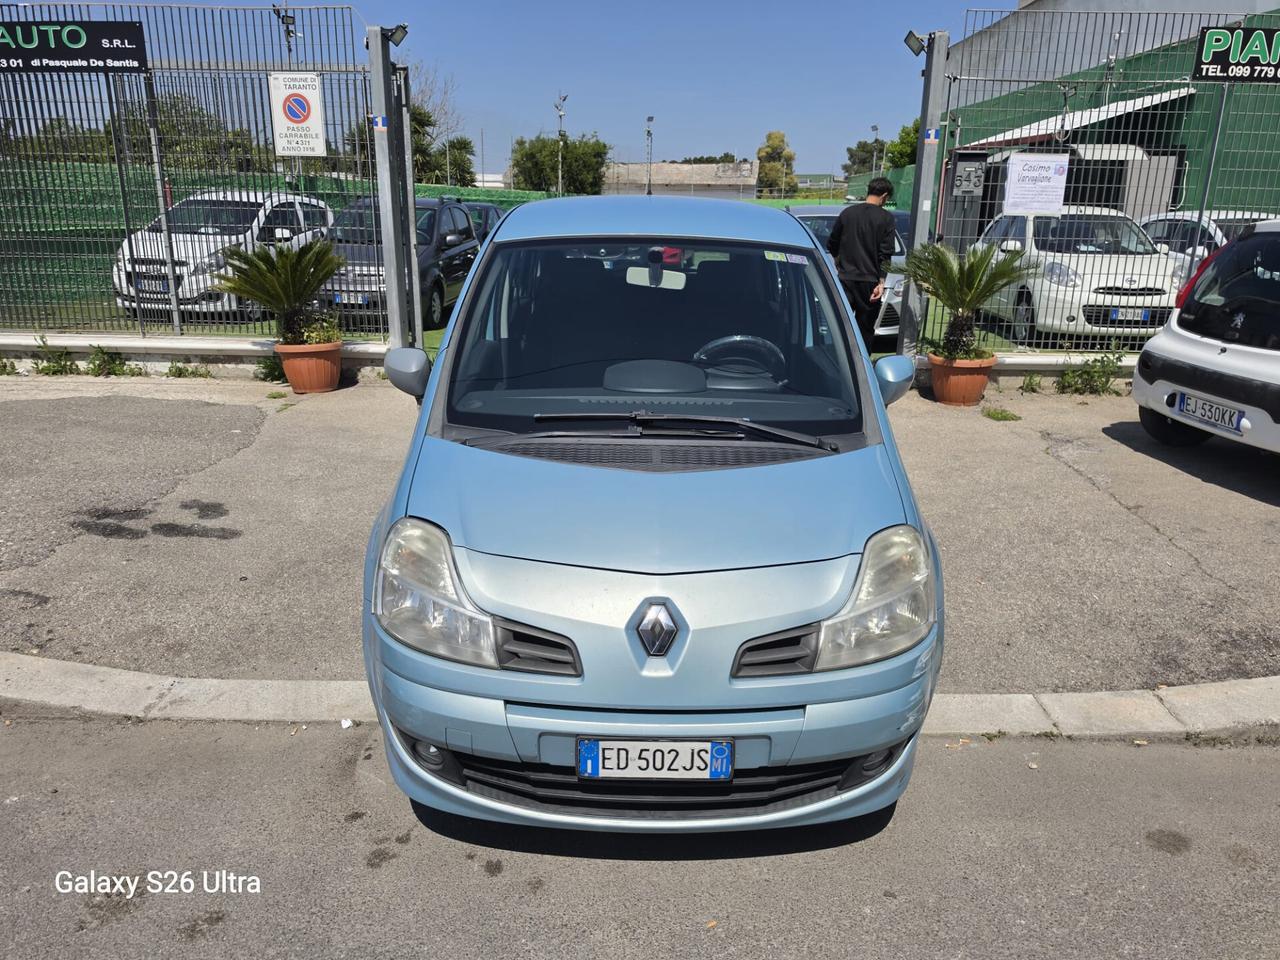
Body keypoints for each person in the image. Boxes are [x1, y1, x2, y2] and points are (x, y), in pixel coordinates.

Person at [826, 178, 898, 346]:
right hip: (870, 283)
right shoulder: (886, 218)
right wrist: (881, 281)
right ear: (884, 196)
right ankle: (863, 366)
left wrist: (839, 262)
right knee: (865, 329)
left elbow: (831, 243)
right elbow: (886, 253)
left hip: (845, 279)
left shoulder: (847, 213)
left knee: (840, 325)